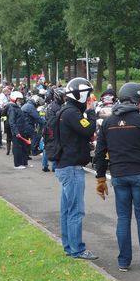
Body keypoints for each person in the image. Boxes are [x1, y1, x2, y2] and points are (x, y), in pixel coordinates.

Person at [94, 82, 140, 271]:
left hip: (119, 175)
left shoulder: (108, 122)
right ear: (135, 100)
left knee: (123, 218)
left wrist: (100, 177)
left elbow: (100, 152)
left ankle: (124, 261)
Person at [54, 77, 98, 260]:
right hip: (71, 167)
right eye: (88, 95)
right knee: (75, 210)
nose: (90, 98)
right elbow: (88, 129)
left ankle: (69, 246)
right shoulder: (72, 113)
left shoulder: (66, 111)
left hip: (65, 165)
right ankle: (77, 249)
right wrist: (91, 112)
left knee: (67, 209)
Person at [7, 91, 29, 169]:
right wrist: (16, 132)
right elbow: (12, 122)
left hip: (22, 130)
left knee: (23, 148)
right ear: (14, 99)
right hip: (17, 132)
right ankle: (17, 164)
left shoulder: (16, 107)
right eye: (19, 99)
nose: (20, 101)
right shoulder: (12, 108)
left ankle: (24, 163)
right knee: (17, 148)